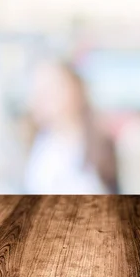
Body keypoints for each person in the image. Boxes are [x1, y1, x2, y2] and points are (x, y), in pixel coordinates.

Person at [22, 60, 118, 194]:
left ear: (75, 89)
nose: (41, 98)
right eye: (37, 91)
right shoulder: (37, 143)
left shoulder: (103, 145)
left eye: (50, 89)